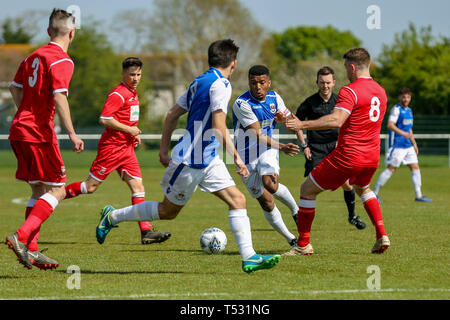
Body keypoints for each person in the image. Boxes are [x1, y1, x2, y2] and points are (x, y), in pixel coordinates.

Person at [95, 39, 280, 273]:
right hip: (191, 159)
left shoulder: (199, 81)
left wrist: (163, 149)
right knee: (167, 212)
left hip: (209, 157)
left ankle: (250, 257)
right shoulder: (221, 85)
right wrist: (236, 157)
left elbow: (172, 114)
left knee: (238, 200)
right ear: (233, 63)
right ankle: (112, 217)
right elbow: (218, 125)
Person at [279, 48, 390, 256]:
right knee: (363, 188)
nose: (346, 72)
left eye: (346, 67)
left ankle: (303, 245)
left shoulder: (350, 91)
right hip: (373, 156)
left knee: (306, 190)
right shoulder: (381, 91)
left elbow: (336, 120)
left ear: (353, 67)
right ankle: (381, 234)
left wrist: (302, 124)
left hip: (349, 155)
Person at [5, 9, 84, 270]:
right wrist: (72, 132)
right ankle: (20, 237)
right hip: (39, 133)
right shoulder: (63, 60)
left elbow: (13, 88)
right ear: (71, 33)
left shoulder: (32, 56)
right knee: (57, 189)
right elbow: (60, 97)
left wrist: (24, 112)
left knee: (38, 190)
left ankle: (33, 249)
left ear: (49, 31)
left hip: (19, 130)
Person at [64, 57, 171, 244]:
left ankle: (145, 232)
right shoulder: (119, 93)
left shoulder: (133, 93)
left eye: (138, 74)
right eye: (131, 75)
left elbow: (126, 119)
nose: (136, 78)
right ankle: (55, 196)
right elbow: (105, 119)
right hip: (111, 149)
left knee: (138, 187)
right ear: (123, 74)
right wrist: (129, 130)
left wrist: (132, 134)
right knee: (90, 187)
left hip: (126, 149)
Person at [232, 65, 300, 249]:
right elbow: (257, 135)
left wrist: (286, 121)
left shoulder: (275, 97)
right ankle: (291, 239)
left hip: (267, 150)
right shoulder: (241, 104)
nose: (258, 87)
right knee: (266, 201)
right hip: (246, 157)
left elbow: (290, 118)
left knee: (270, 183)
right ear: (249, 83)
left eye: (262, 82)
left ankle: (296, 211)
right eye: (253, 83)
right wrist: (283, 146)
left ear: (269, 82)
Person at [295, 66, 366, 230]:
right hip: (315, 149)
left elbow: (349, 123)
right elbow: (297, 124)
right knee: (309, 185)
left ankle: (352, 216)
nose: (325, 86)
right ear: (317, 83)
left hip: (337, 148)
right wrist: (304, 145)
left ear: (333, 82)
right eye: (322, 83)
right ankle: (301, 216)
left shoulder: (340, 101)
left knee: (347, 184)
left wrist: (342, 142)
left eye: (328, 83)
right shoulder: (309, 103)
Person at [373, 88, 432, 202]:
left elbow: (409, 130)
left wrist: (414, 143)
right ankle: (374, 193)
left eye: (408, 97)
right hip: (397, 145)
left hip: (408, 146)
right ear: (400, 98)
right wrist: (402, 133)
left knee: (415, 167)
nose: (406, 99)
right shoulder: (396, 109)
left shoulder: (409, 111)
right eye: (404, 97)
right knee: (391, 169)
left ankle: (418, 195)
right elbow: (390, 125)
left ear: (410, 98)